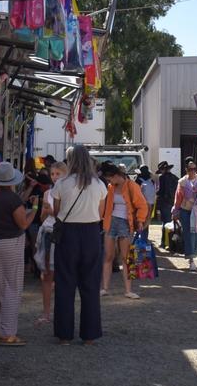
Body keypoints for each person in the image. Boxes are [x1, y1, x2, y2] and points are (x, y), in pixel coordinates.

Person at [51, 145, 108, 344]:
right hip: (91, 233)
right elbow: (101, 213)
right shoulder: (99, 184)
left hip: (68, 234)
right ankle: (90, 335)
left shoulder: (62, 183)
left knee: (65, 284)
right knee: (90, 285)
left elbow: (57, 211)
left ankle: (64, 334)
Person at [0, 162, 34, 346]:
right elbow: (23, 224)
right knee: (10, 288)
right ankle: (8, 333)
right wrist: (33, 210)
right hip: (9, 243)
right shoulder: (12, 199)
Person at [100, 164, 149, 299]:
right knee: (108, 256)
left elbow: (142, 205)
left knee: (125, 258)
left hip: (125, 223)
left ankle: (128, 290)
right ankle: (105, 288)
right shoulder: (111, 187)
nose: (109, 182)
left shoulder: (132, 186)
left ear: (115, 176)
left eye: (109, 179)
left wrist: (140, 220)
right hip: (111, 222)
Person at [34, 160, 68, 326]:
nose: (55, 177)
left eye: (58, 174)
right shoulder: (47, 193)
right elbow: (41, 217)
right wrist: (46, 211)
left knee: (61, 275)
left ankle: (60, 312)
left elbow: (63, 216)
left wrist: (51, 211)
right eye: (52, 174)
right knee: (46, 275)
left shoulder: (68, 192)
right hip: (47, 233)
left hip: (60, 234)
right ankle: (46, 312)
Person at [136, 166, 157, 233]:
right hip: (151, 203)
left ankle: (138, 237)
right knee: (147, 220)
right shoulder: (151, 181)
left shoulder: (138, 180)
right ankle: (144, 238)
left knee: (140, 220)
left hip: (142, 204)